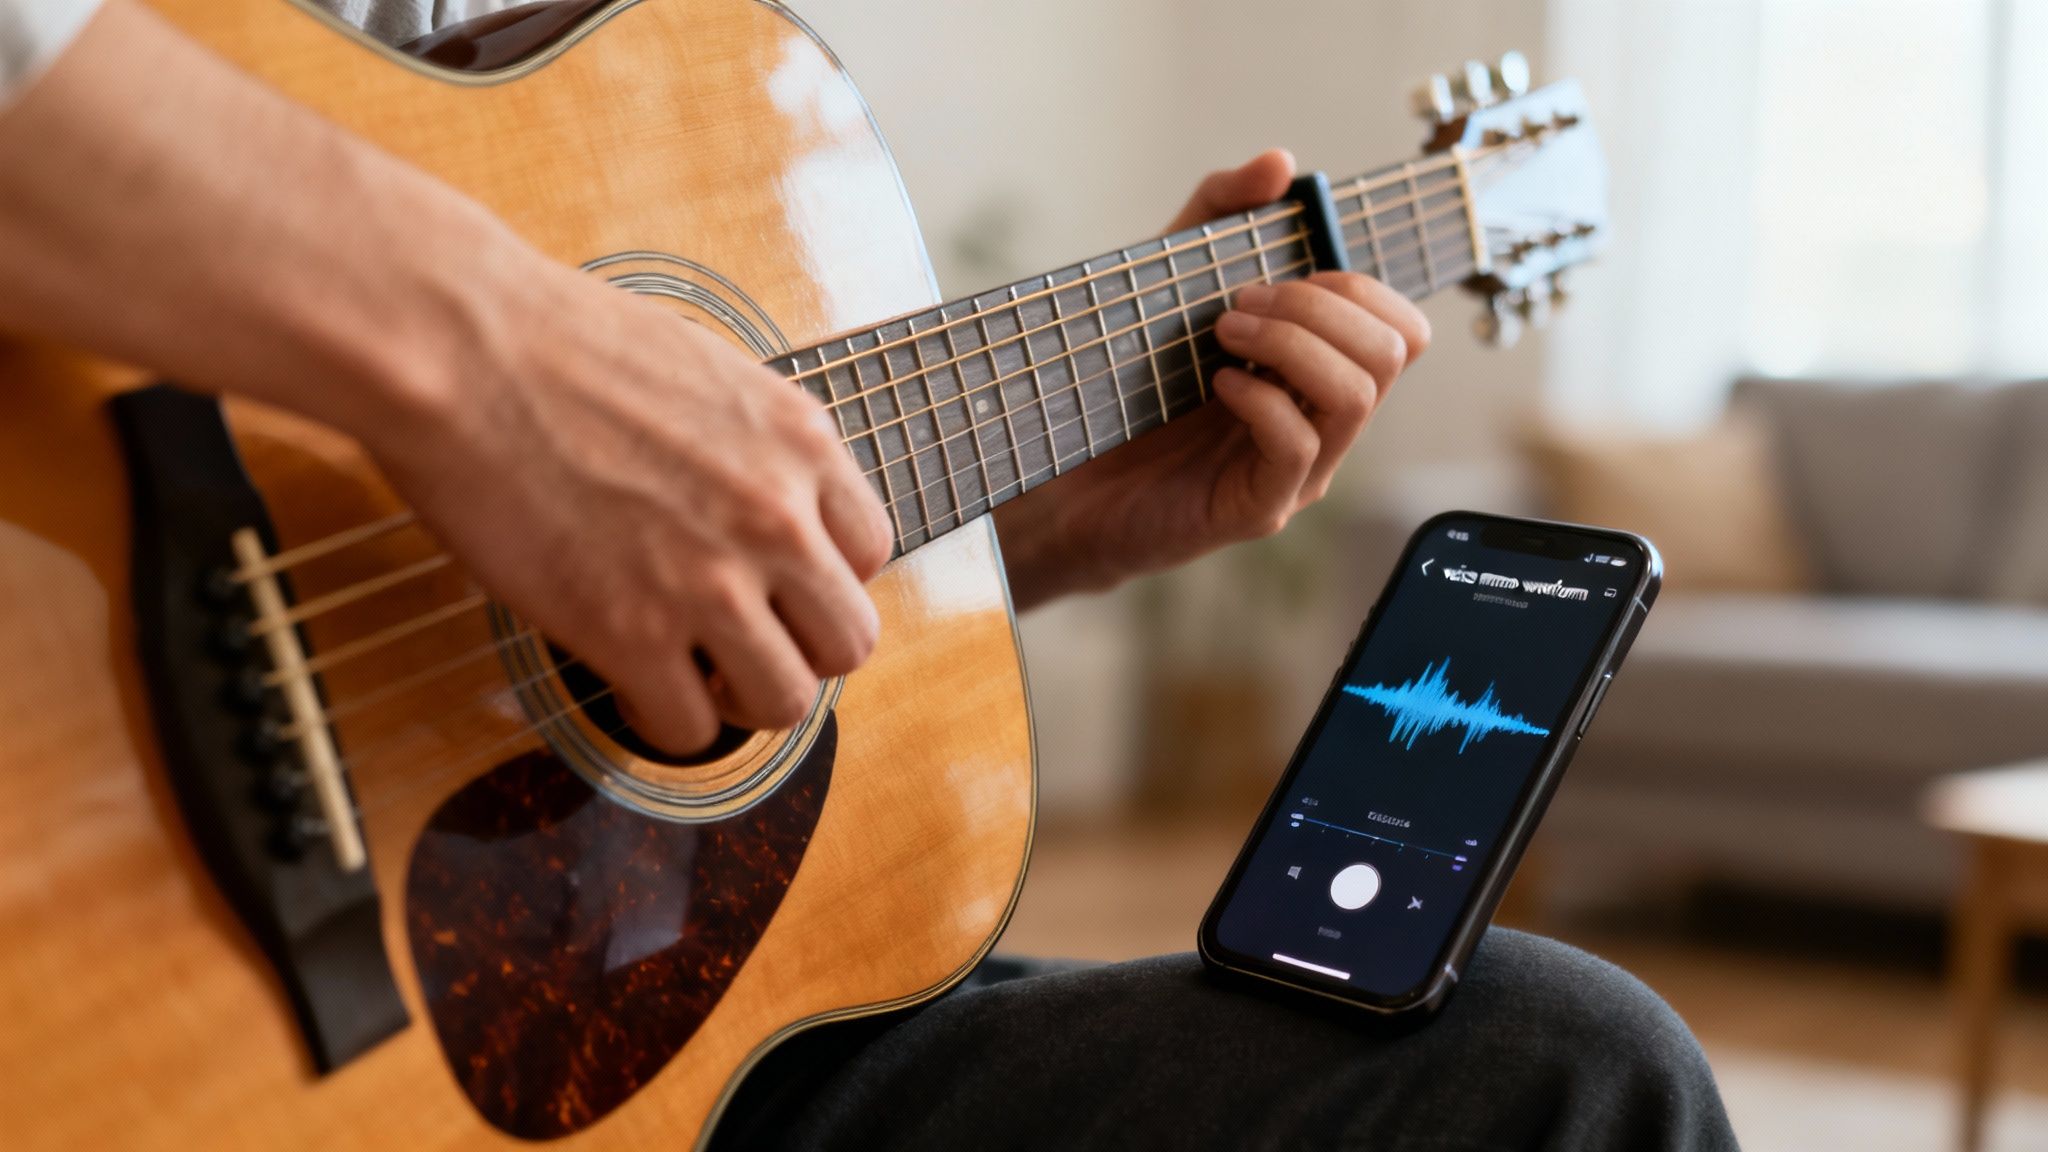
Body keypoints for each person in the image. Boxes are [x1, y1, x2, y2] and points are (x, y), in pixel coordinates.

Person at [0, 2, 1740, 1148]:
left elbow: (542, 596)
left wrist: (1038, 522)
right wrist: (503, 363)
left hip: (578, 1036)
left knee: (1569, 1081)